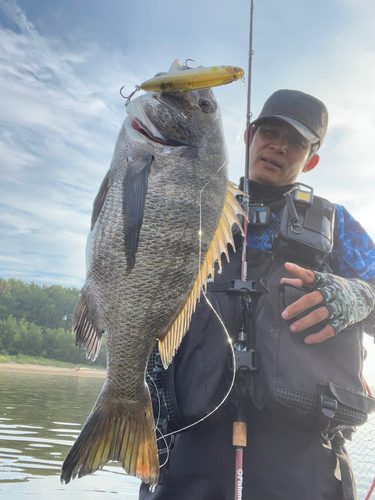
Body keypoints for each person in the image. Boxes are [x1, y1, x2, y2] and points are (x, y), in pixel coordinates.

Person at [139, 90, 375, 500]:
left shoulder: (338, 225)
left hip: (304, 461)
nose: (279, 146)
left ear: (312, 159)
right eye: (270, 130)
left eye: (297, 142)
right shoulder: (192, 205)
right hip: (184, 449)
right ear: (249, 136)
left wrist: (359, 297)